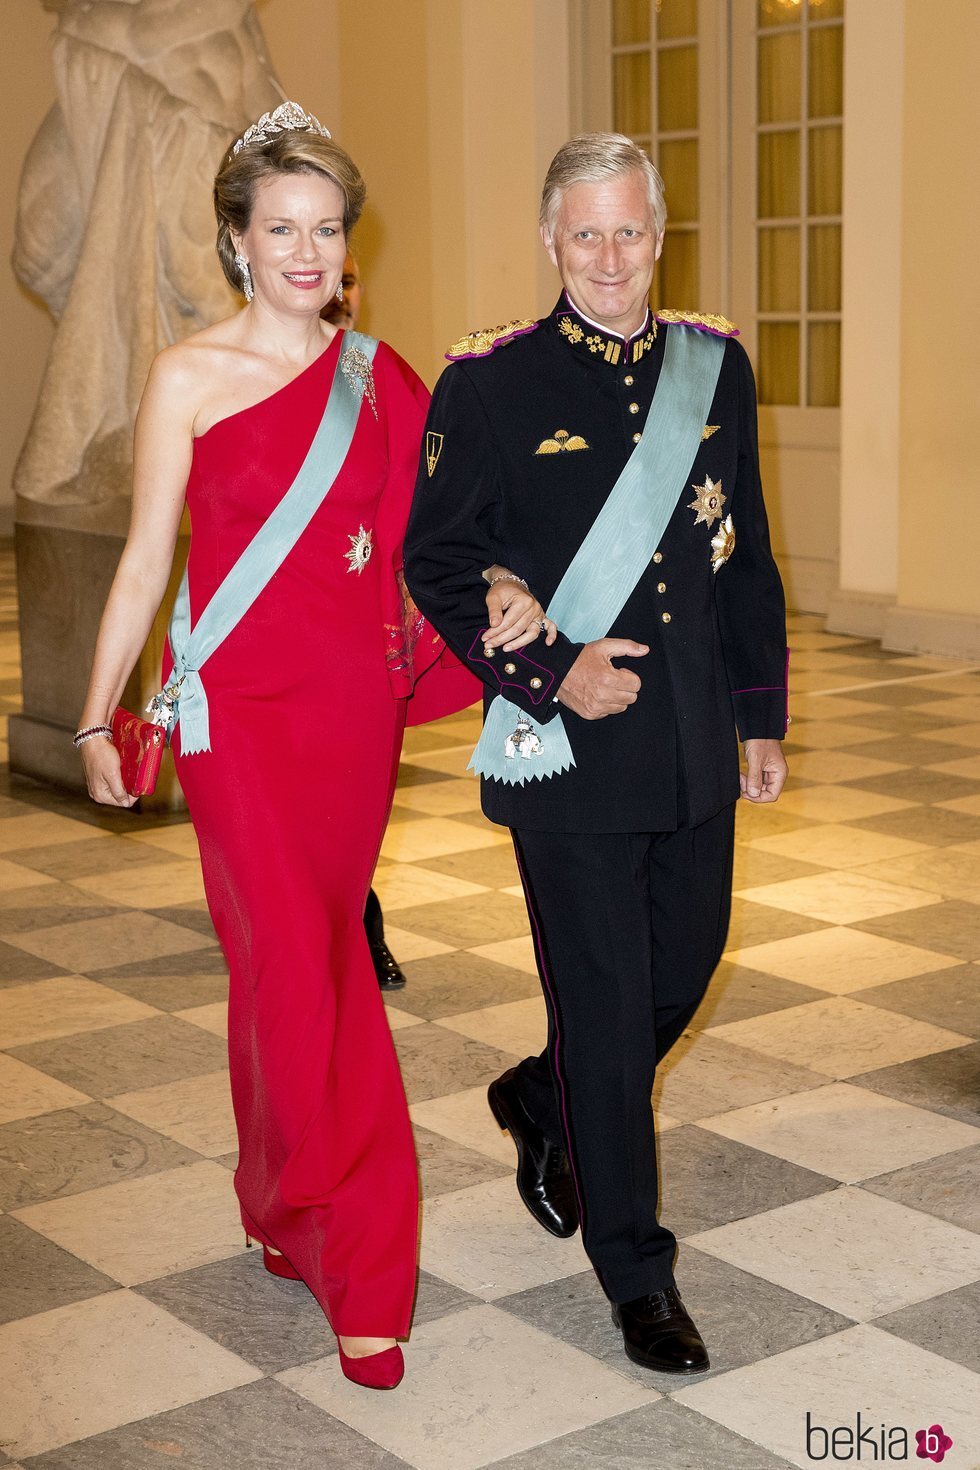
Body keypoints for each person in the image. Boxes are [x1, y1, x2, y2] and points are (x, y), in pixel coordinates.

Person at [73, 102, 546, 1390]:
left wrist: (498, 587)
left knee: (295, 967)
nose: (305, 251)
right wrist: (93, 711)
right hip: (234, 722)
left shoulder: (380, 380)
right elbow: (140, 565)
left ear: (347, 246)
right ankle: (360, 1261)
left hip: (344, 721)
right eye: (279, 227)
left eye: (326, 230)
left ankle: (283, 1204)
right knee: (303, 971)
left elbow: (428, 546)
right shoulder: (186, 377)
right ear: (236, 239)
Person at [405, 132, 789, 1376]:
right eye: (585, 234)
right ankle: (636, 1274)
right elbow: (439, 561)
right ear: (548, 241)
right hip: (563, 755)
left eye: (629, 231)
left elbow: (746, 552)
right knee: (615, 1023)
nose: (610, 257)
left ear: (657, 233)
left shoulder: (712, 367)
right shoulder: (489, 385)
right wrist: (547, 669)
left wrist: (757, 711)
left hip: (687, 738)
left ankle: (539, 1092)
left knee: (683, 964)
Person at [323, 250, 405, 992]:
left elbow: (431, 484)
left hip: (359, 637)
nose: (339, 292)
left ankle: (356, 913)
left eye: (350, 278)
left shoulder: (378, 376)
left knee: (350, 806)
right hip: (268, 646)